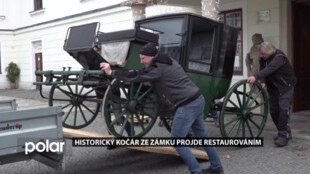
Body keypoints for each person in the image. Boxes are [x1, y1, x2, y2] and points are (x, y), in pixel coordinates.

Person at [100, 43, 224, 174]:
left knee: (177, 141)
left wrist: (111, 72)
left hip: (187, 104)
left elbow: (137, 75)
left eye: (143, 58)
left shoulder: (157, 69)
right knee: (203, 136)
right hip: (198, 99)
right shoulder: (168, 60)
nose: (141, 61)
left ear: (152, 56)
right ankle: (217, 168)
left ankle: (196, 172)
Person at [247, 41, 296, 147]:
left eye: (263, 54)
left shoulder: (279, 57)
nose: (261, 56)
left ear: (270, 52)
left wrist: (255, 77)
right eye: (261, 54)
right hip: (273, 88)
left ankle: (283, 136)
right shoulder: (263, 58)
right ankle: (284, 132)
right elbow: (263, 70)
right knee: (274, 111)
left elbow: (270, 69)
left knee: (283, 110)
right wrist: (263, 81)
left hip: (285, 86)